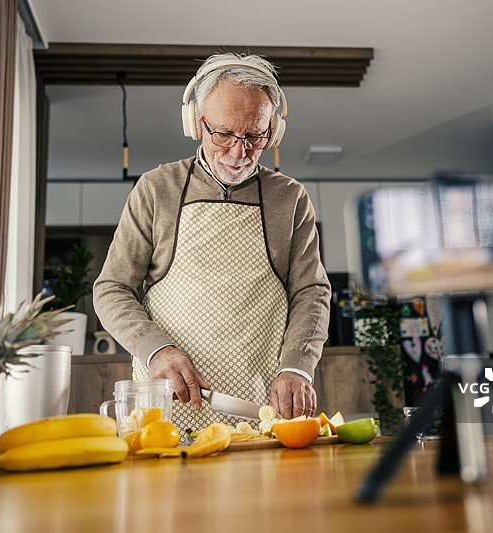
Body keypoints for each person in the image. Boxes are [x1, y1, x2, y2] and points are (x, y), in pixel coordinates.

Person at [93, 53, 331, 433]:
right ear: (195, 123)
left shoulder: (290, 197)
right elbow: (112, 289)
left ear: (274, 130)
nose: (240, 152)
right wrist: (156, 349)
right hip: (167, 407)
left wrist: (296, 366)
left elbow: (311, 292)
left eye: (256, 136)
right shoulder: (157, 189)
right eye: (224, 134)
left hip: (259, 410)